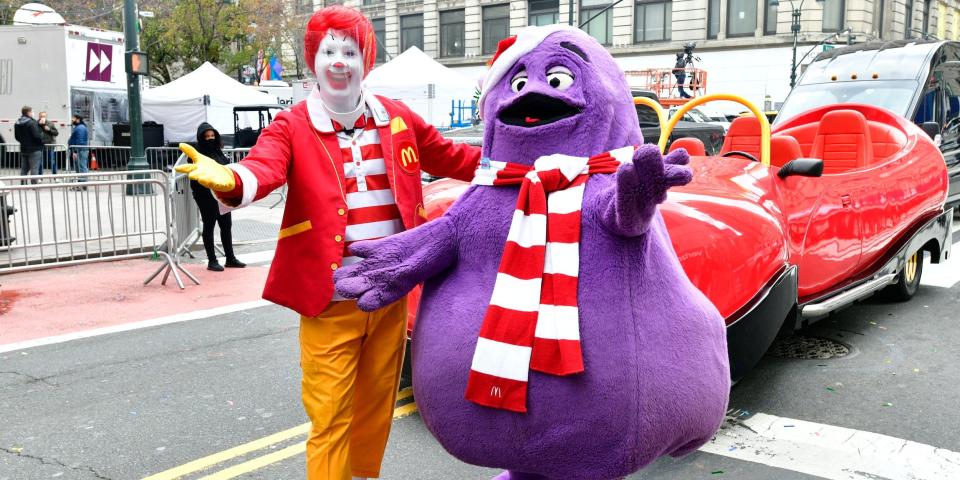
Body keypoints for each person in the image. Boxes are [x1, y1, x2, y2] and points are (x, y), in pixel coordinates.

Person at [177, 6, 481, 479]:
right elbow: (264, 167)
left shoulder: (397, 119)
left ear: (366, 60)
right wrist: (230, 178)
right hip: (330, 299)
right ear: (313, 61)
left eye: (350, 51)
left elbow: (456, 157)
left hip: (390, 294)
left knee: (375, 410)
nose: (339, 61)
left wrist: (525, 155)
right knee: (330, 416)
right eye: (328, 51)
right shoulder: (292, 125)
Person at [191, 123, 245, 272]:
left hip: (222, 195)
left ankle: (230, 258)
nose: (210, 138)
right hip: (205, 195)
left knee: (226, 226)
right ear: (201, 138)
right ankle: (212, 260)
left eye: (212, 135)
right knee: (209, 226)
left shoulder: (218, 150)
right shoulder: (197, 153)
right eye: (207, 136)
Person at [14, 106, 43, 183]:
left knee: (24, 169)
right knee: (34, 168)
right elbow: (37, 136)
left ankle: (23, 184)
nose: (33, 113)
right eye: (32, 111)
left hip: (23, 148)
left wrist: (23, 142)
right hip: (34, 149)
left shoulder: (17, 122)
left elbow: (17, 137)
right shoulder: (31, 123)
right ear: (28, 112)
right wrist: (41, 142)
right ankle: (34, 185)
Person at [68, 114, 89, 187]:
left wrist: (75, 151)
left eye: (73, 118)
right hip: (80, 150)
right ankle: (81, 183)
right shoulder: (80, 127)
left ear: (78, 119)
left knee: (81, 167)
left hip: (80, 151)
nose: (72, 120)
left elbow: (80, 141)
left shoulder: (80, 128)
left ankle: (82, 184)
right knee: (80, 167)